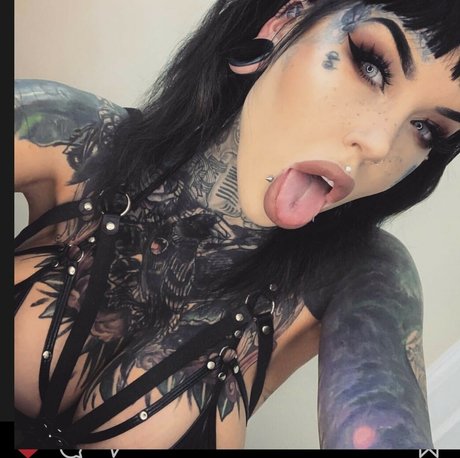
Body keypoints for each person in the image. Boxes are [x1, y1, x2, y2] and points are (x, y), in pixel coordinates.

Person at [14, 0, 460, 450]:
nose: (380, 145)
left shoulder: (364, 276)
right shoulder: (69, 135)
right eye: (371, 66)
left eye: (426, 128)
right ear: (286, 20)